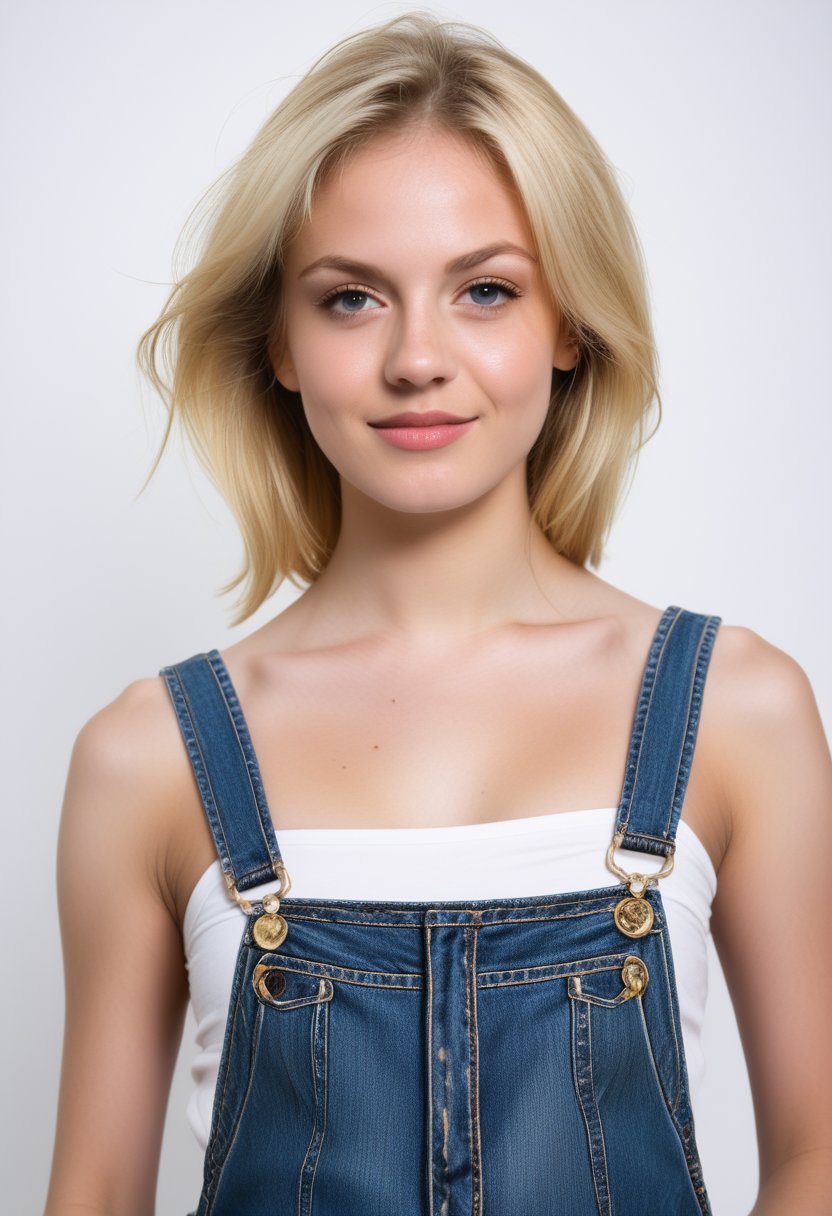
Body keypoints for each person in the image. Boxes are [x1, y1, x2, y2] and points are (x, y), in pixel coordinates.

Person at [45, 13, 831, 1216]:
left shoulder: (738, 709)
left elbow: (816, 1160)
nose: (419, 357)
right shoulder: (145, 756)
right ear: (282, 346)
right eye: (353, 298)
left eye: (484, 289)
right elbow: (91, 1194)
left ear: (568, 323)